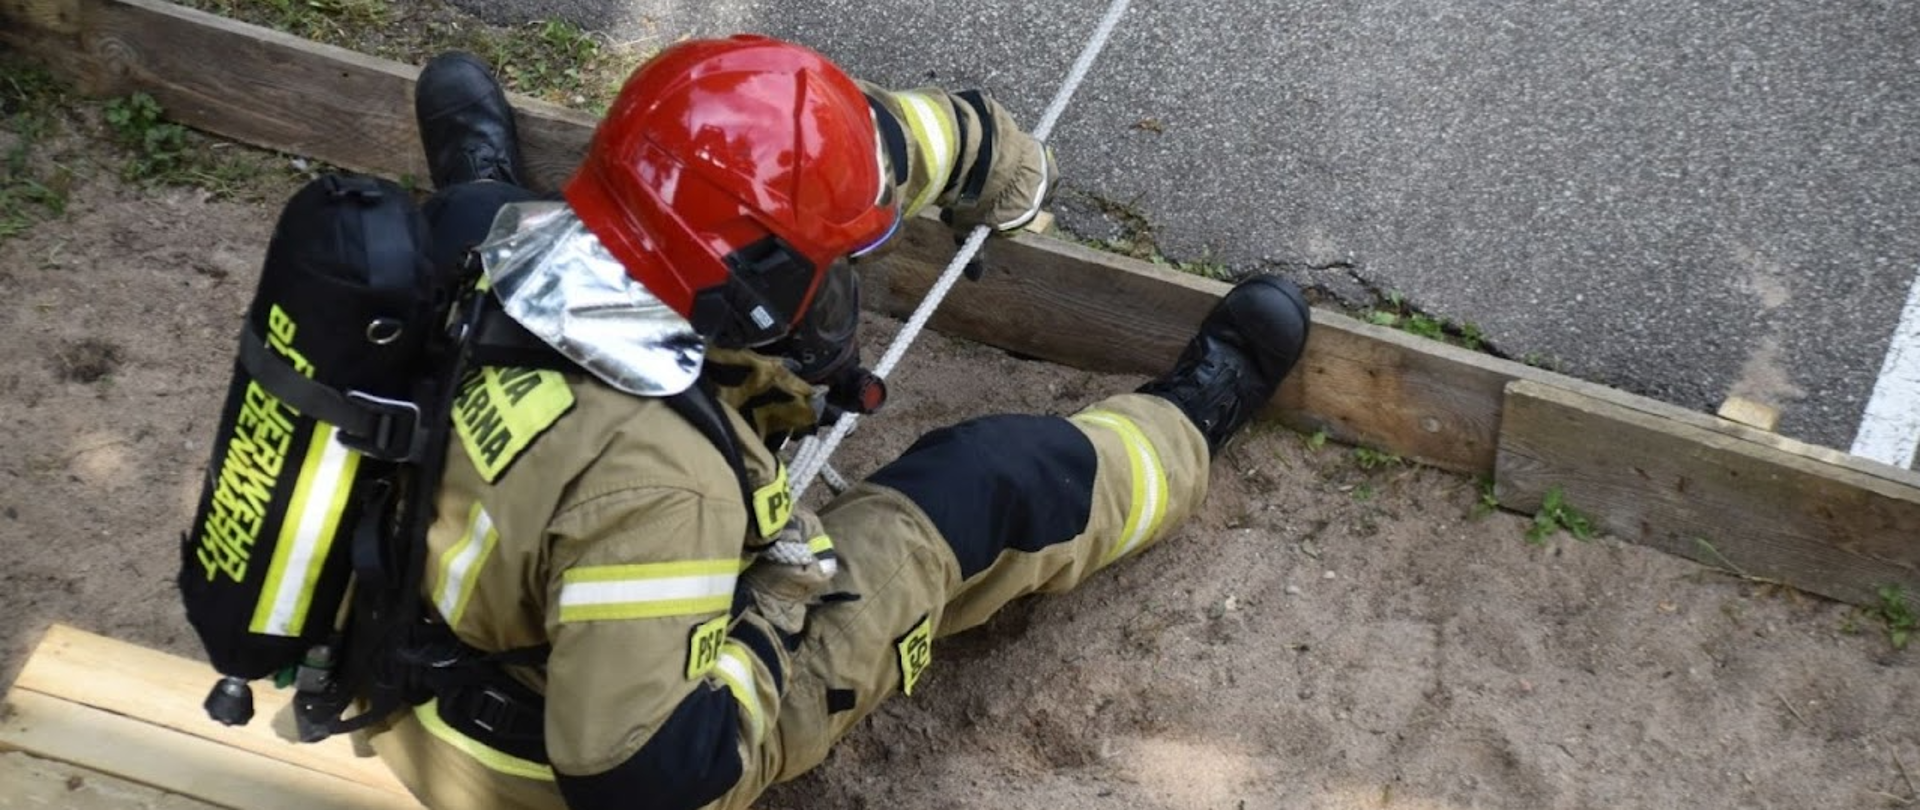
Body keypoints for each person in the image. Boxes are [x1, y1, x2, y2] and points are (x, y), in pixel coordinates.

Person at [352, 35, 1312, 810]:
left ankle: (473, 166)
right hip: (535, 766)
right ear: (754, 293)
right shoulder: (661, 492)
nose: (842, 305)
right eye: (829, 284)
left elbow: (822, 153)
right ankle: (1189, 424)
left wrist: (987, 150)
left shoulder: (501, 252)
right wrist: (770, 604)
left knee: (478, 203)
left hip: (409, 641)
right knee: (983, 484)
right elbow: (646, 780)